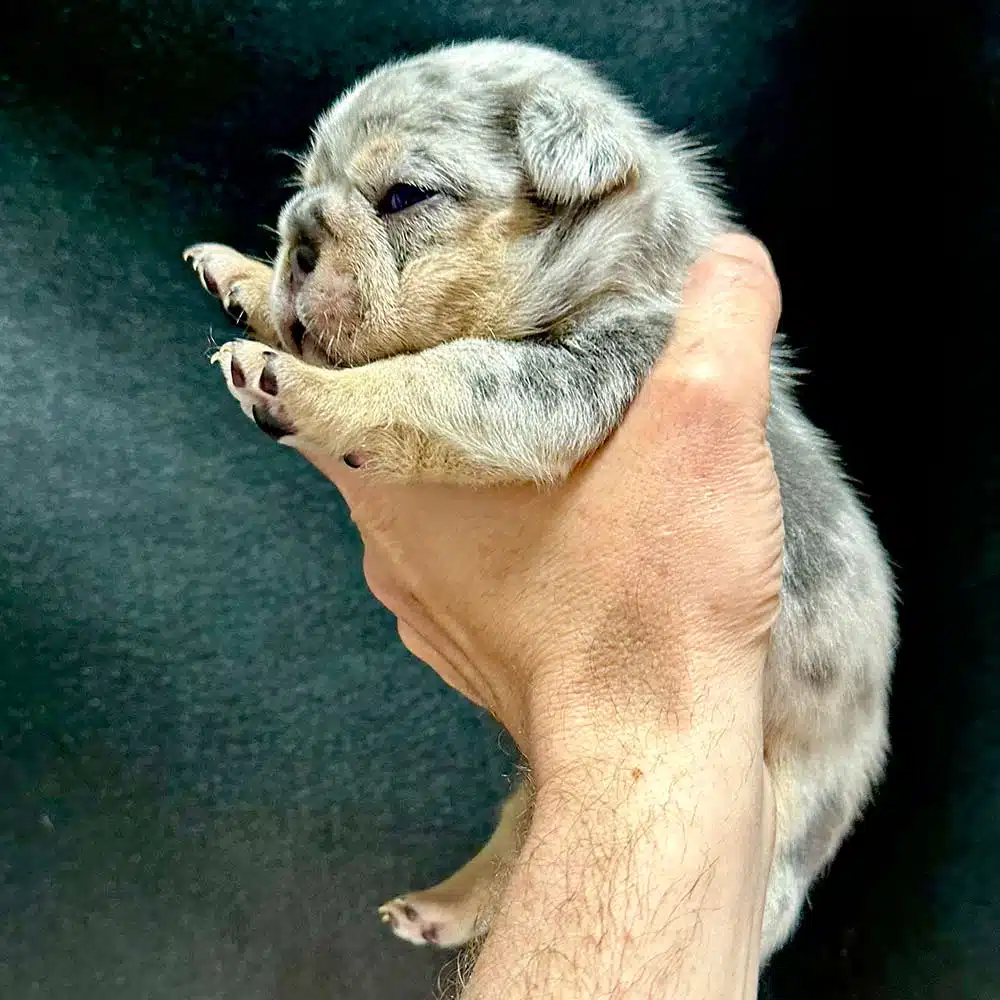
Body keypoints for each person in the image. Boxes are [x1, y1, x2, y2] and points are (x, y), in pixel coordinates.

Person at [305, 233, 783, 999]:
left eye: (405, 204)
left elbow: (544, 409)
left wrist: (622, 708)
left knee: (769, 865)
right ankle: (485, 893)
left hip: (798, 678)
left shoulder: (614, 311)